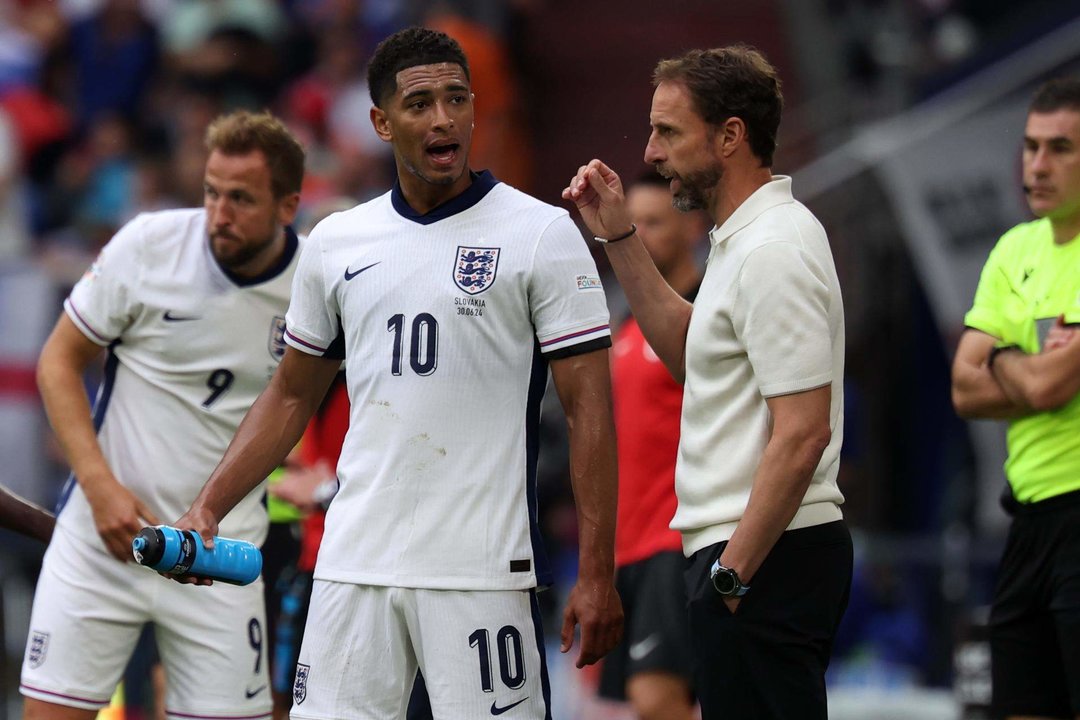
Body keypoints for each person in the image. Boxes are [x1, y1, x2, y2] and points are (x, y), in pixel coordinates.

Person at [175, 26, 622, 720]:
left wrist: (596, 572)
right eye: (419, 105)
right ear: (382, 122)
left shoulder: (542, 234)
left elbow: (591, 410)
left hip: (480, 570)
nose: (442, 119)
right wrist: (210, 503)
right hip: (354, 565)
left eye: (456, 100)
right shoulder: (337, 242)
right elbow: (292, 393)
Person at [563, 44, 852, 720]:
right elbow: (694, 358)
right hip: (747, 553)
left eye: (669, 131)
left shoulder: (774, 246)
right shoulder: (740, 241)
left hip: (765, 553)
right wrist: (619, 239)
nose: (653, 152)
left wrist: (731, 576)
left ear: (730, 136)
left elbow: (804, 433)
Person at [21, 110, 305, 720]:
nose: (218, 214)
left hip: (220, 560)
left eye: (240, 199)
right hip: (101, 544)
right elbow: (57, 363)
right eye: (210, 192)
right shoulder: (147, 245)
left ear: (288, 206)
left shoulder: (315, 284)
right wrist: (99, 490)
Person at [951, 77, 1080, 720]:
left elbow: (1048, 383)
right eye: (1030, 147)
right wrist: (1022, 364)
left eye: (1060, 148)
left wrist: (997, 355)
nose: (1038, 165)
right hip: (1026, 519)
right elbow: (962, 388)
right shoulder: (1014, 249)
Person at [596, 172, 704, 720]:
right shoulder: (625, 324)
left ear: (693, 224)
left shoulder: (705, 315)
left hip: (676, 539)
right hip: (627, 545)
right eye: (630, 225)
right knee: (645, 706)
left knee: (658, 699)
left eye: (654, 223)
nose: (637, 236)